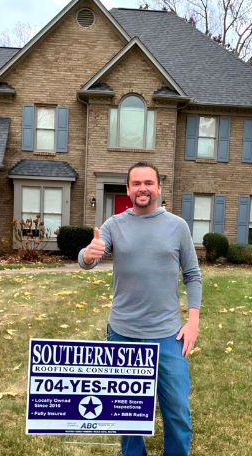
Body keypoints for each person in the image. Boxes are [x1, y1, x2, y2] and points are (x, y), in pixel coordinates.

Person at [78, 161, 202, 456]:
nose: (142, 188)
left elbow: (193, 275)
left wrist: (193, 320)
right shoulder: (114, 225)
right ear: (128, 189)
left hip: (168, 336)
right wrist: (87, 254)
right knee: (126, 415)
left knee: (177, 411)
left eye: (148, 182)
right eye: (136, 183)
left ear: (159, 188)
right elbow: (89, 258)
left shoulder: (177, 226)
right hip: (123, 334)